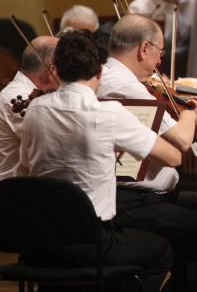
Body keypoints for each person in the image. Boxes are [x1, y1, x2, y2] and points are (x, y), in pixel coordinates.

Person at [96, 13, 197, 292]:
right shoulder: (127, 86)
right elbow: (180, 141)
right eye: (159, 52)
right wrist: (191, 112)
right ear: (144, 49)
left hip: (135, 196)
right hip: (131, 200)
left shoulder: (109, 76)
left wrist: (194, 119)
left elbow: (186, 137)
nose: (159, 62)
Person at [19, 30, 175, 292]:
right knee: (162, 252)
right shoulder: (108, 113)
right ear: (100, 72)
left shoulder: (34, 109)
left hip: (39, 244)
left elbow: (26, 166)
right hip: (91, 244)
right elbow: (173, 156)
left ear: (56, 71)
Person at [0, 36, 59, 180]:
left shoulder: (32, 95)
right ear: (52, 70)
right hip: (13, 194)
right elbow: (55, 144)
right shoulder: (15, 97)